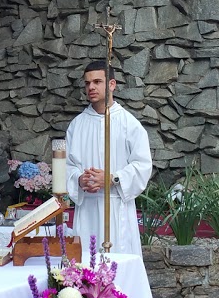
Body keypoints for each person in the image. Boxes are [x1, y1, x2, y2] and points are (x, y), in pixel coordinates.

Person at [64, 60, 153, 259]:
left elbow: (143, 166)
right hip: (86, 208)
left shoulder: (129, 124)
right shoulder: (76, 125)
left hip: (117, 209)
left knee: (117, 267)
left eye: (97, 82)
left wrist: (112, 178)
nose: (91, 87)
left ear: (112, 84)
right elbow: (66, 168)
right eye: (87, 83)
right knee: (84, 266)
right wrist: (79, 179)